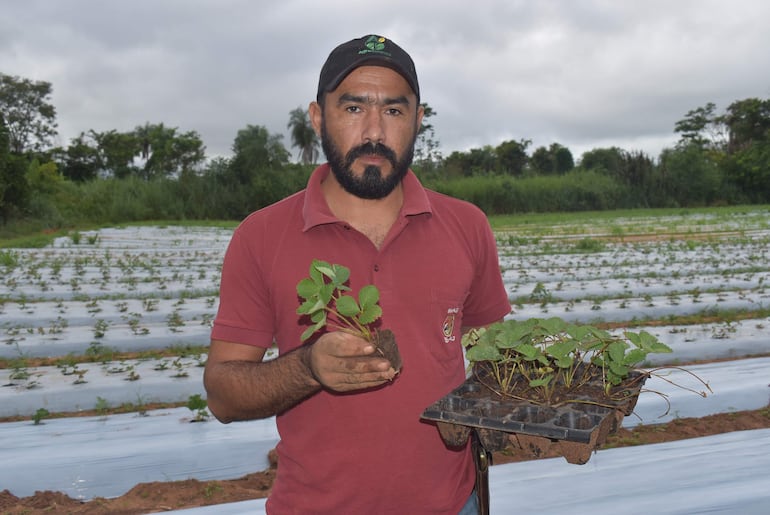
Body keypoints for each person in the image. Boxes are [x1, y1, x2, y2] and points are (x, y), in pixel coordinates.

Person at [204, 34, 511, 514]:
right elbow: (222, 395)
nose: (374, 132)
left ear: (418, 120)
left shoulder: (467, 225)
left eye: (393, 111)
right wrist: (308, 368)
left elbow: (492, 355)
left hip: (454, 504)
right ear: (318, 117)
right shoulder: (261, 236)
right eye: (353, 109)